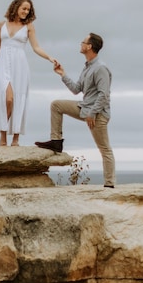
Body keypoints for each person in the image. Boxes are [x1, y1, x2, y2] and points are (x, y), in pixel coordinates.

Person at [36, 32, 115, 188]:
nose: (81, 44)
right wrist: (62, 74)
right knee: (56, 105)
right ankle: (56, 141)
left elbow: (104, 95)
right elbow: (76, 89)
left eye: (83, 42)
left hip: (97, 114)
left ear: (89, 46)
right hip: (85, 108)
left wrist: (92, 113)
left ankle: (110, 184)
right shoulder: (87, 67)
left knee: (104, 149)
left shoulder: (100, 68)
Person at [0, 0, 57, 146]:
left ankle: (15, 139)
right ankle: (3, 136)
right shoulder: (2, 25)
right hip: (3, 65)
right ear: (16, 7)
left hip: (20, 67)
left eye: (28, 10)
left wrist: (49, 57)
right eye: (24, 8)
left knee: (18, 99)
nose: (26, 11)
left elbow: (36, 47)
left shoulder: (28, 26)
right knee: (7, 99)